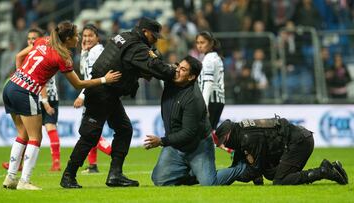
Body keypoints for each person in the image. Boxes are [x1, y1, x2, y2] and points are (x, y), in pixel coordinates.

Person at [2, 20, 121, 190]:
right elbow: (78, 84)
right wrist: (104, 79)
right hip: (24, 91)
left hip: (10, 86)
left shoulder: (43, 40)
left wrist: (22, 76)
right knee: (36, 137)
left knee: (22, 134)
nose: (79, 38)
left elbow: (20, 56)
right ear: (68, 39)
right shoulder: (63, 56)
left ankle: (10, 178)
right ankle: (24, 181)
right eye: (76, 35)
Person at [60, 17, 178, 189]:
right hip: (102, 93)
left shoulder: (124, 37)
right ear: (145, 32)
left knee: (124, 129)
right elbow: (155, 68)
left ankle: (115, 175)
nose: (155, 41)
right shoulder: (137, 47)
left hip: (108, 93)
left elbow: (129, 64)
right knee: (90, 135)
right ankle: (68, 176)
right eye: (154, 36)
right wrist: (172, 71)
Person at [144, 56, 246, 186]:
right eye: (178, 67)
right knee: (160, 180)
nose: (177, 71)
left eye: (183, 69)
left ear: (191, 77)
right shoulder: (172, 78)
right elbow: (157, 68)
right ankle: (193, 173)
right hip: (176, 145)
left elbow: (188, 133)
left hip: (198, 146)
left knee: (209, 183)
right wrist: (152, 54)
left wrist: (161, 141)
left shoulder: (193, 99)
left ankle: (242, 167)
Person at [213, 116, 349, 185]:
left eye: (224, 142)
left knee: (280, 180)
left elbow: (255, 168)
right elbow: (254, 160)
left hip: (299, 143)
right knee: (271, 173)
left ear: (228, 135)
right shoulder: (243, 131)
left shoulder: (248, 138)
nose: (226, 145)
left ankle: (323, 172)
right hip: (299, 138)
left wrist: (234, 175)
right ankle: (329, 167)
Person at [2, 28, 62, 172]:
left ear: (42, 40)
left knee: (46, 129)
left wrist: (46, 101)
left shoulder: (43, 52)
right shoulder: (32, 54)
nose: (31, 41)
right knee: (28, 133)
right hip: (29, 93)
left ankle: (56, 162)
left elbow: (42, 81)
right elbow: (18, 57)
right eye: (29, 39)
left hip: (47, 96)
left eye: (34, 38)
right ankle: (18, 165)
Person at [74, 24, 112, 174]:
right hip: (98, 94)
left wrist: (82, 96)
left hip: (94, 95)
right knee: (92, 131)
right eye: (84, 36)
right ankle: (92, 165)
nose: (87, 39)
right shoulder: (93, 51)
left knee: (88, 132)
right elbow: (85, 71)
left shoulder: (95, 53)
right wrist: (83, 51)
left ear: (97, 37)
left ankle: (113, 152)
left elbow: (91, 77)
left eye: (90, 36)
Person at [195, 31, 225, 129]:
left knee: (204, 135)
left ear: (211, 43)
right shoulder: (216, 57)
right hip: (219, 99)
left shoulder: (209, 59)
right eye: (197, 42)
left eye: (202, 42)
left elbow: (208, 83)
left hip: (211, 100)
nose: (199, 46)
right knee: (211, 133)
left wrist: (204, 104)